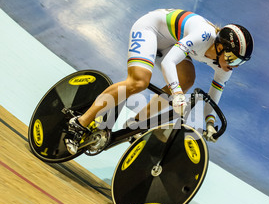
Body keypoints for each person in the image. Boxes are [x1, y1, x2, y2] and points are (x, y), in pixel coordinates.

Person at [64, 8, 253, 154]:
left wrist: (210, 123)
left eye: (239, 62)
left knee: (187, 79)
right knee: (139, 82)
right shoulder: (203, 36)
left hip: (171, 42)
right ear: (219, 47)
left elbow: (213, 98)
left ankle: (136, 123)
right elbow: (169, 62)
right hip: (150, 29)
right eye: (232, 59)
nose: (233, 66)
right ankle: (78, 124)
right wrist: (177, 94)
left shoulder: (225, 67)